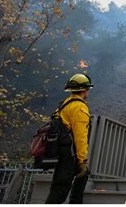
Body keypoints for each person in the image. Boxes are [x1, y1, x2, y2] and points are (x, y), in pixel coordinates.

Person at [45, 73, 93, 204]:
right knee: (59, 191)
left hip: (60, 151)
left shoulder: (65, 104)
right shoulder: (80, 107)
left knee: (81, 176)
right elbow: (80, 136)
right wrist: (82, 161)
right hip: (69, 154)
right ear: (85, 90)